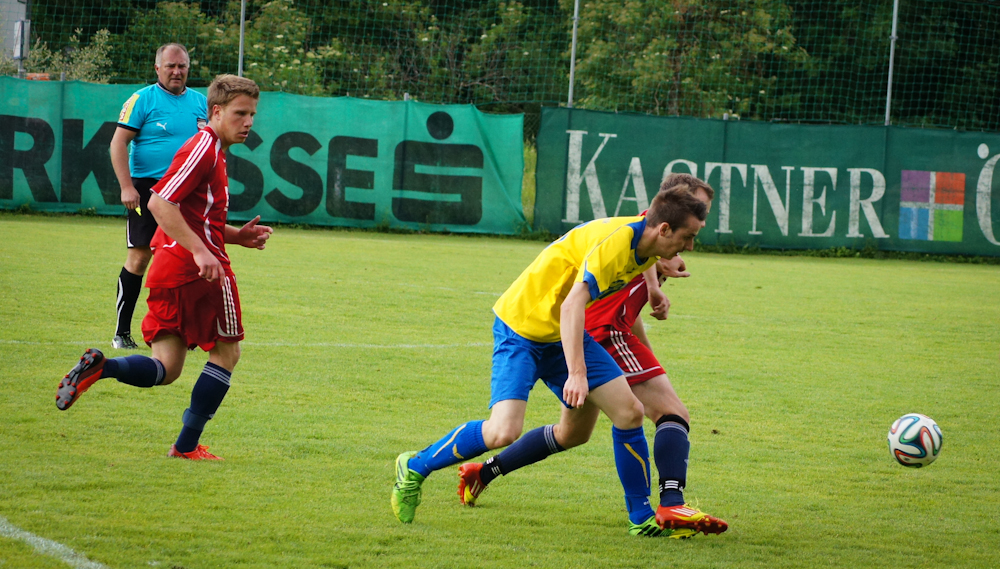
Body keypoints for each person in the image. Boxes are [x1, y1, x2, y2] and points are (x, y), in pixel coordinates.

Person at [392, 185, 708, 536]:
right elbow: (572, 305)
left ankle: (641, 517)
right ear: (664, 229)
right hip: (522, 330)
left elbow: (644, 249)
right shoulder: (617, 244)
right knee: (503, 431)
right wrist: (577, 373)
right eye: (688, 237)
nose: (690, 247)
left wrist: (654, 287)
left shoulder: (648, 244)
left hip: (561, 334)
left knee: (626, 413)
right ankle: (415, 465)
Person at [56, 75, 270, 461]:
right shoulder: (204, 148)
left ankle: (103, 368)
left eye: (252, 114)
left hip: (167, 268)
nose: (249, 122)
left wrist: (237, 236)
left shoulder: (211, 149)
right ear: (216, 111)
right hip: (199, 271)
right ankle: (185, 446)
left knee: (167, 368)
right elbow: (159, 204)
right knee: (227, 354)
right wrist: (202, 252)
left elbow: (193, 216)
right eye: (240, 113)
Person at [108, 43, 208, 350]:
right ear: (157, 68)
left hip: (187, 191)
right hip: (148, 189)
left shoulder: (202, 103)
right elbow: (118, 143)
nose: (177, 71)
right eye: (170, 66)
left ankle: (187, 333)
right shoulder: (141, 99)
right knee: (139, 257)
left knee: (191, 259)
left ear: (188, 68)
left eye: (182, 66)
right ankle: (122, 333)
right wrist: (127, 187)